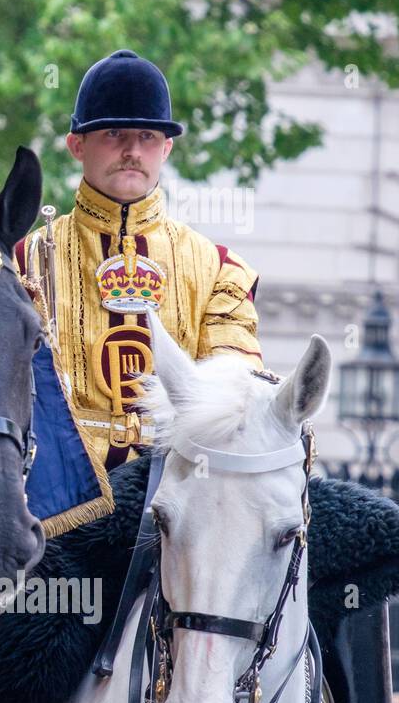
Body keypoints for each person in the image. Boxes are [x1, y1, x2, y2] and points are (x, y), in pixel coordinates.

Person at [16, 49, 262, 476]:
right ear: (77, 145)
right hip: (51, 506)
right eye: (114, 133)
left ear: (166, 149)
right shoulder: (21, 260)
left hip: (175, 507)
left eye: (147, 137)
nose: (132, 149)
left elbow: (235, 410)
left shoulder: (220, 270)